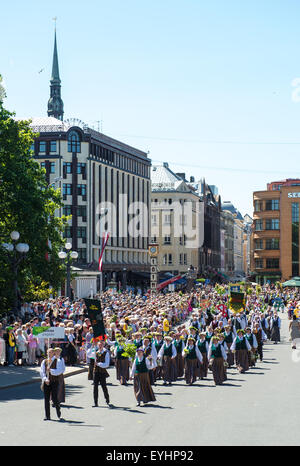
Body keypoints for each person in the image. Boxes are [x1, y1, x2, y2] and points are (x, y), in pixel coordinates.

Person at [40, 348, 64, 421]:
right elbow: (42, 372)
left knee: (54, 398)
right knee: (46, 399)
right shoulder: (44, 361)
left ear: (53, 353)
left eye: (51, 352)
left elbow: (59, 371)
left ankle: (58, 410)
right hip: (47, 382)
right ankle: (47, 416)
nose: (49, 354)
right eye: (48, 352)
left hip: (54, 381)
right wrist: (45, 379)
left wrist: (51, 370)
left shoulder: (58, 361)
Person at [93, 340, 110, 407]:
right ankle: (95, 402)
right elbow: (88, 354)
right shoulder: (96, 352)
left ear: (103, 345)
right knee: (95, 387)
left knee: (104, 386)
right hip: (96, 371)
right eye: (99, 345)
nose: (99, 346)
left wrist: (99, 364)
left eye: (101, 345)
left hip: (102, 372)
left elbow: (107, 364)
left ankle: (107, 399)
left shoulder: (106, 353)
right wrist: (92, 347)